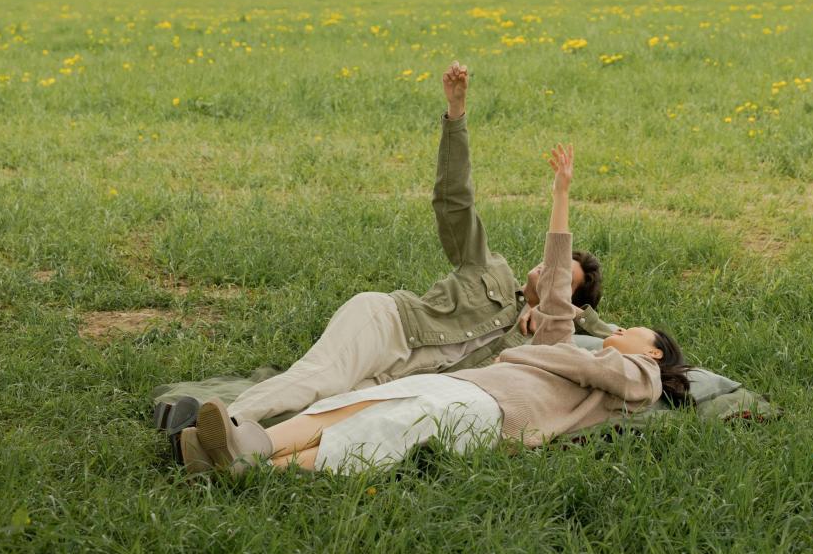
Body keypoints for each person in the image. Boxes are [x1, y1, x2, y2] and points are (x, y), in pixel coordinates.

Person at [180, 142, 691, 475]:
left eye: (632, 332)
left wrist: (587, 327)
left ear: (651, 354)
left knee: (373, 427)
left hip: (490, 406)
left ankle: (249, 465)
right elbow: (552, 278)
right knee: (341, 405)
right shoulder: (535, 320)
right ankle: (244, 442)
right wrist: (561, 193)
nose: (620, 330)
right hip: (436, 363)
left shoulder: (632, 375)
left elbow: (584, 323)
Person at [204, 62, 614, 430]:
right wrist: (456, 115)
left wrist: (551, 314)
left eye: (562, 276)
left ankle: (236, 447)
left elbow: (607, 340)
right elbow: (454, 202)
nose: (548, 268)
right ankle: (227, 423)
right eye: (551, 262)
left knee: (330, 409)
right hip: (388, 327)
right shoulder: (492, 269)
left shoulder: (534, 347)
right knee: (320, 378)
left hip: (405, 378)